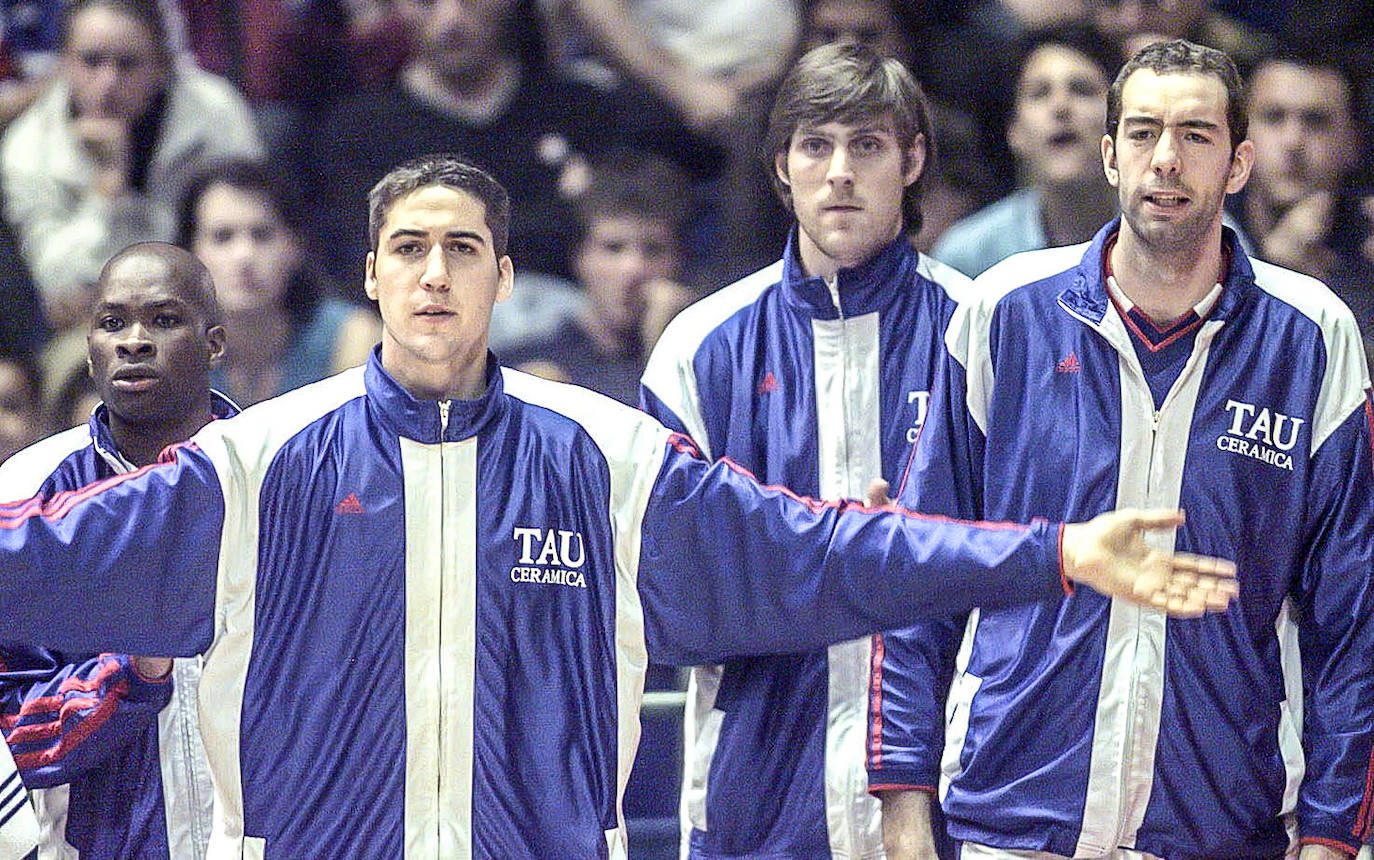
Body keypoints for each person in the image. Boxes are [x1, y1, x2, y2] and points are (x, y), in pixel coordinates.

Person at [0, 154, 1235, 856]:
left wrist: (1059, 550)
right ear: (371, 275)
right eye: (412, 248)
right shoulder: (255, 464)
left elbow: (829, 550)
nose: (437, 273)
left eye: (465, 248)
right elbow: (35, 554)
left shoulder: (611, 458)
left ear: (505, 273)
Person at [870, 39, 1374, 859]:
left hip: (1221, 827)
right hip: (1008, 820)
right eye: (1142, 134)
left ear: (1238, 164)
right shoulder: (1003, 312)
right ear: (1110, 156)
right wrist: (902, 809)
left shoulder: (1313, 337)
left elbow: (1351, 618)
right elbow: (922, 568)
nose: (1165, 160)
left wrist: (1329, 837)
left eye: (1196, 136)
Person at [640, 43, 966, 859]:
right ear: (781, 165)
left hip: (955, 782)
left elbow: (1027, 564)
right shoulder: (699, 349)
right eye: (815, 145)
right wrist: (856, 557)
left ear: (913, 159)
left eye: (868, 145)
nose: (840, 173)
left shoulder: (979, 333)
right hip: (755, 785)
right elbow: (667, 600)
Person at [0, 242, 231, 858]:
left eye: (163, 319)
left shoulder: (282, 478)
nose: (133, 340)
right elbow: (13, 736)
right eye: (111, 323)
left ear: (214, 343)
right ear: (88, 347)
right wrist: (134, 666)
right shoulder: (24, 496)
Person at [0, 0, 263, 330]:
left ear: (162, 66)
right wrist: (108, 193)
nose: (107, 81)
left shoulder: (215, 111)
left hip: (217, 309)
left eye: (127, 64)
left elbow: (249, 232)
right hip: (100, 328)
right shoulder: (28, 148)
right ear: (64, 63)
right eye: (91, 61)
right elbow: (60, 283)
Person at [177, 159, 377, 405]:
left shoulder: (351, 337)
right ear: (188, 253)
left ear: (296, 246)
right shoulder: (173, 347)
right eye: (222, 237)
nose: (244, 255)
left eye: (262, 235)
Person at [506, 149, 693, 405]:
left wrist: (665, 346)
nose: (633, 269)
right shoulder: (528, 368)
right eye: (613, 248)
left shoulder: (707, 362)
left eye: (653, 250)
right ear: (579, 258)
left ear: (678, 261)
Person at [932, 24, 1120, 277]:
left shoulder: (1161, 237)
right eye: (1039, 93)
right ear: (1014, 131)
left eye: (1081, 90)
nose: (1060, 106)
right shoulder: (968, 256)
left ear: (1121, 121)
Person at [1232, 50, 1373, 349]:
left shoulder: (1369, 248)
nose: (1293, 141)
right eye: (1273, 117)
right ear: (1239, 136)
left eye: (1316, 121)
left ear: (1353, 142)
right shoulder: (1200, 236)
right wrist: (1276, 274)